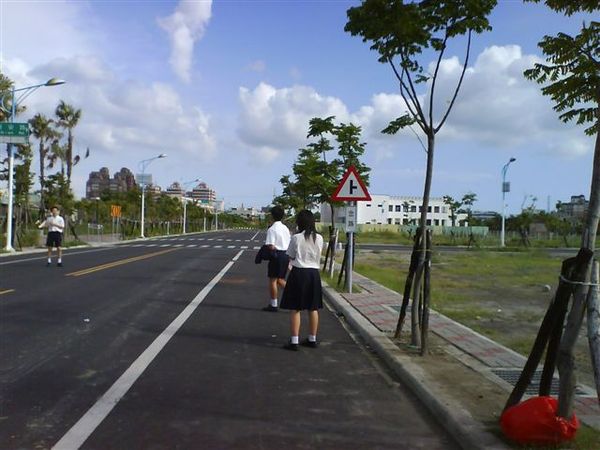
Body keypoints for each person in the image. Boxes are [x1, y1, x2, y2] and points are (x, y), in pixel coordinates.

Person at [280, 210, 324, 351]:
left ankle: (294, 341)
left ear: (299, 222)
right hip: (313, 274)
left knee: (295, 308)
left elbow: (291, 256)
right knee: (313, 308)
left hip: (299, 273)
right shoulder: (320, 238)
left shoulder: (296, 238)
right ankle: (312, 339)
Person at [263, 205, 291, 312]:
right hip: (285, 255)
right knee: (280, 279)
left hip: (276, 255)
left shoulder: (272, 229)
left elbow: (271, 245)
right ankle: (294, 293)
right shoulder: (285, 228)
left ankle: (273, 304)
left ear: (272, 216)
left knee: (273, 280)